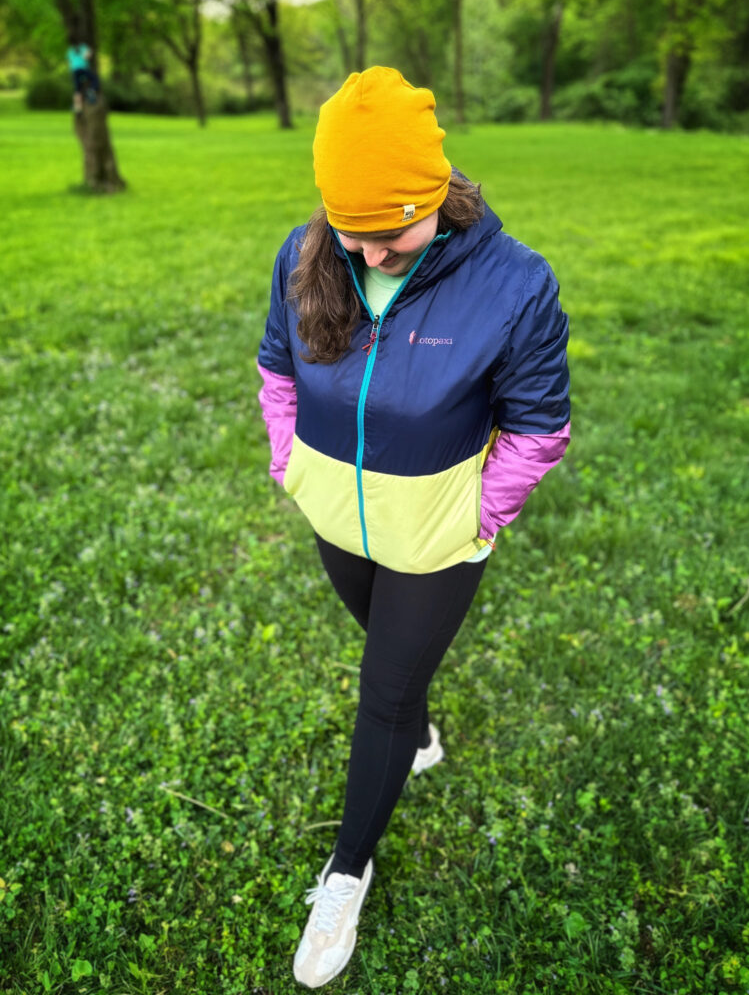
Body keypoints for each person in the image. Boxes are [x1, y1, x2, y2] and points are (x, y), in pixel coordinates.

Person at [257, 66, 571, 988]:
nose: (370, 252)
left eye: (391, 231)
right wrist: (290, 460)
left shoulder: (515, 284)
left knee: (383, 694)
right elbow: (279, 366)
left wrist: (478, 515)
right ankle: (421, 732)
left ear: (435, 196)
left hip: (436, 537)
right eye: (351, 231)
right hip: (335, 514)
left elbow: (539, 424)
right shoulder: (307, 252)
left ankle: (346, 874)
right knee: (394, 662)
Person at [66, 37, 99, 112]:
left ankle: (77, 107)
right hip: (83, 68)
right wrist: (90, 51)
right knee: (94, 79)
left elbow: (69, 61)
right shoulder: (83, 47)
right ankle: (91, 90)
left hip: (75, 70)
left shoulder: (70, 50)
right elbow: (87, 57)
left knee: (77, 88)